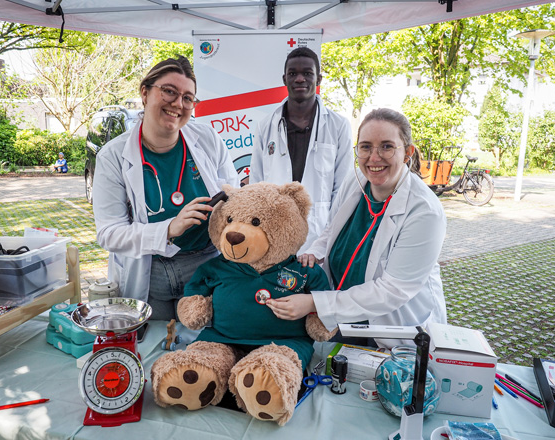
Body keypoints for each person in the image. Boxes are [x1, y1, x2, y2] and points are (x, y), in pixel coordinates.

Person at [266, 108, 447, 345]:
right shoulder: (356, 180)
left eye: (386, 146)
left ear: (407, 153)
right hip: (343, 315)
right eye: (365, 147)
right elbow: (333, 229)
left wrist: (315, 303)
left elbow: (391, 291)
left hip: (393, 329)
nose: (374, 157)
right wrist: (316, 253)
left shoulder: (424, 211)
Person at [93, 56, 239, 321]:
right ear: (145, 93)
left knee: (202, 350)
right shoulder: (113, 156)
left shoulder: (207, 140)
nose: (178, 104)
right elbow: (109, 233)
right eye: (169, 91)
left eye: (187, 98)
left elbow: (233, 195)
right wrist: (169, 229)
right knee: (153, 350)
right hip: (150, 273)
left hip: (205, 268)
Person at [251, 47, 353, 254]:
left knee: (317, 286)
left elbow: (342, 190)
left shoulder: (338, 125)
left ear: (319, 79)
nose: (299, 79)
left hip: (320, 236)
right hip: (274, 234)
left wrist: (327, 242)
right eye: (293, 74)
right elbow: (256, 185)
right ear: (284, 79)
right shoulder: (266, 126)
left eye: (307, 73)